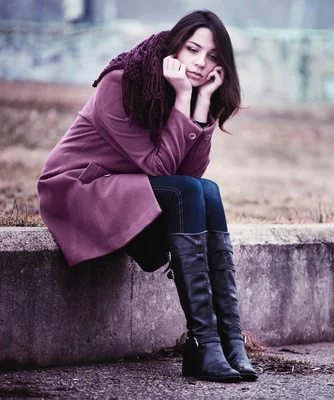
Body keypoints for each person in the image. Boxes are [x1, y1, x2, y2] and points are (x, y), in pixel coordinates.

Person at [37, 10, 257, 383]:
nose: (202, 64)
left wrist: (201, 105)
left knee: (209, 192)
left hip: (121, 193)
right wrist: (186, 97)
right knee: (191, 190)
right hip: (78, 191)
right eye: (193, 49)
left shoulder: (182, 92)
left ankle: (227, 341)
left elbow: (188, 177)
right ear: (174, 46)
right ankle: (205, 344)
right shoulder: (121, 83)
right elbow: (161, 170)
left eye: (214, 57)